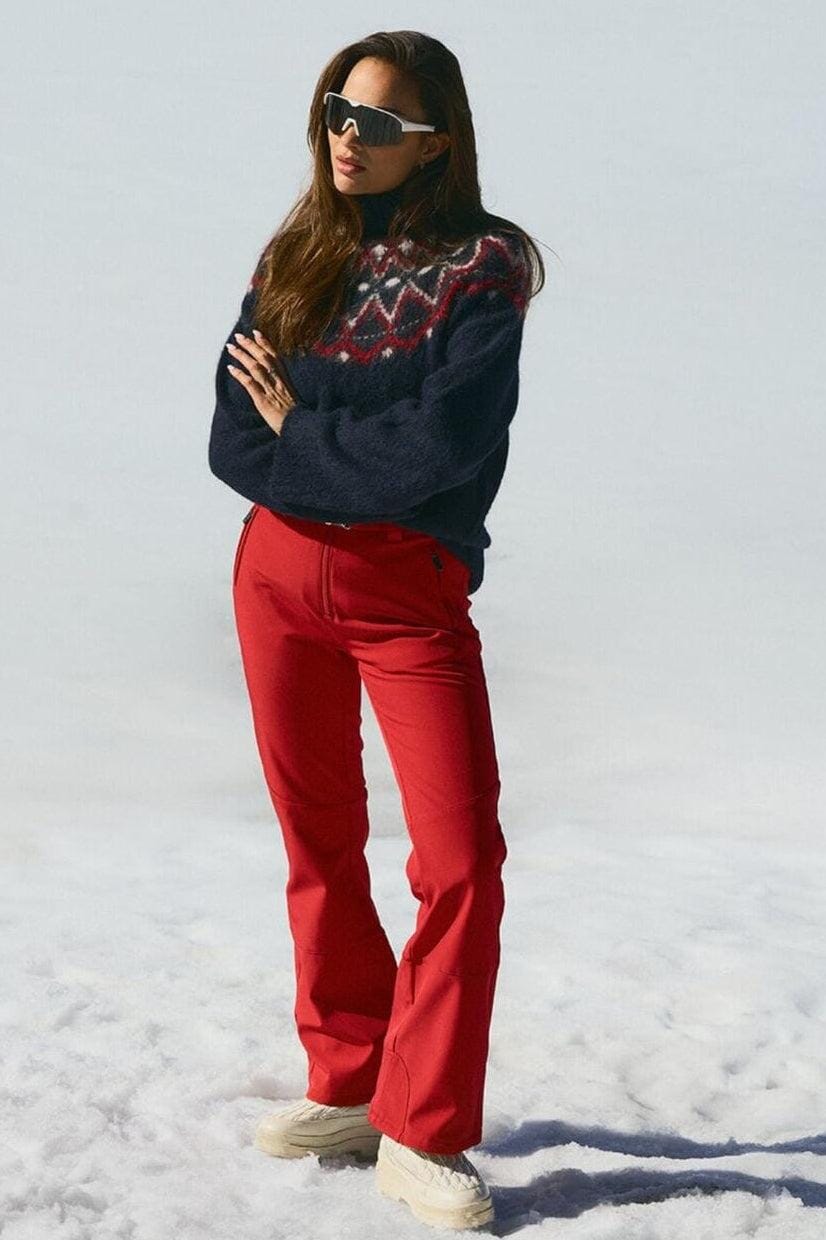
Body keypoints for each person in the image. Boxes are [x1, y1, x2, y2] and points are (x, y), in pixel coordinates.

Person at [208, 29, 543, 1232]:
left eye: (382, 123)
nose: (350, 138)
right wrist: (326, 449)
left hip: (408, 594)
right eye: (337, 113)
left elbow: (441, 447)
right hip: (274, 579)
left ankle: (426, 1125)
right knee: (319, 837)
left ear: (436, 143)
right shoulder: (296, 250)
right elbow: (231, 439)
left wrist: (303, 431)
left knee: (459, 861)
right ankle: (350, 1081)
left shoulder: (485, 267)